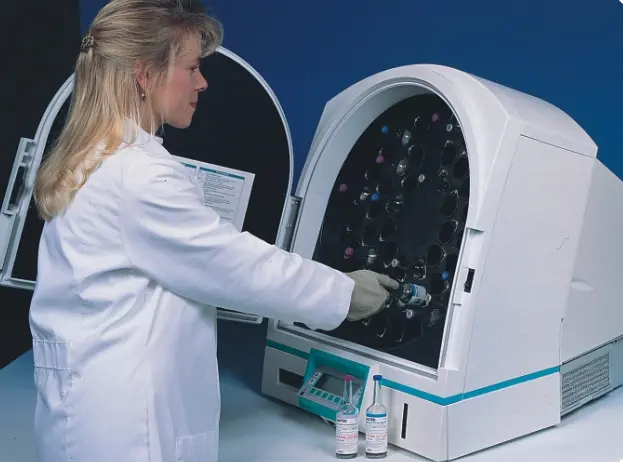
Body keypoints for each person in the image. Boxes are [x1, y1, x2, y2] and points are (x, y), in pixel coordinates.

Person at [29, 1, 399, 461]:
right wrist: (345, 293)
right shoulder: (138, 176)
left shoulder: (90, 159)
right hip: (127, 432)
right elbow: (239, 267)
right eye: (191, 67)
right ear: (144, 74)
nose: (202, 82)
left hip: (82, 415)